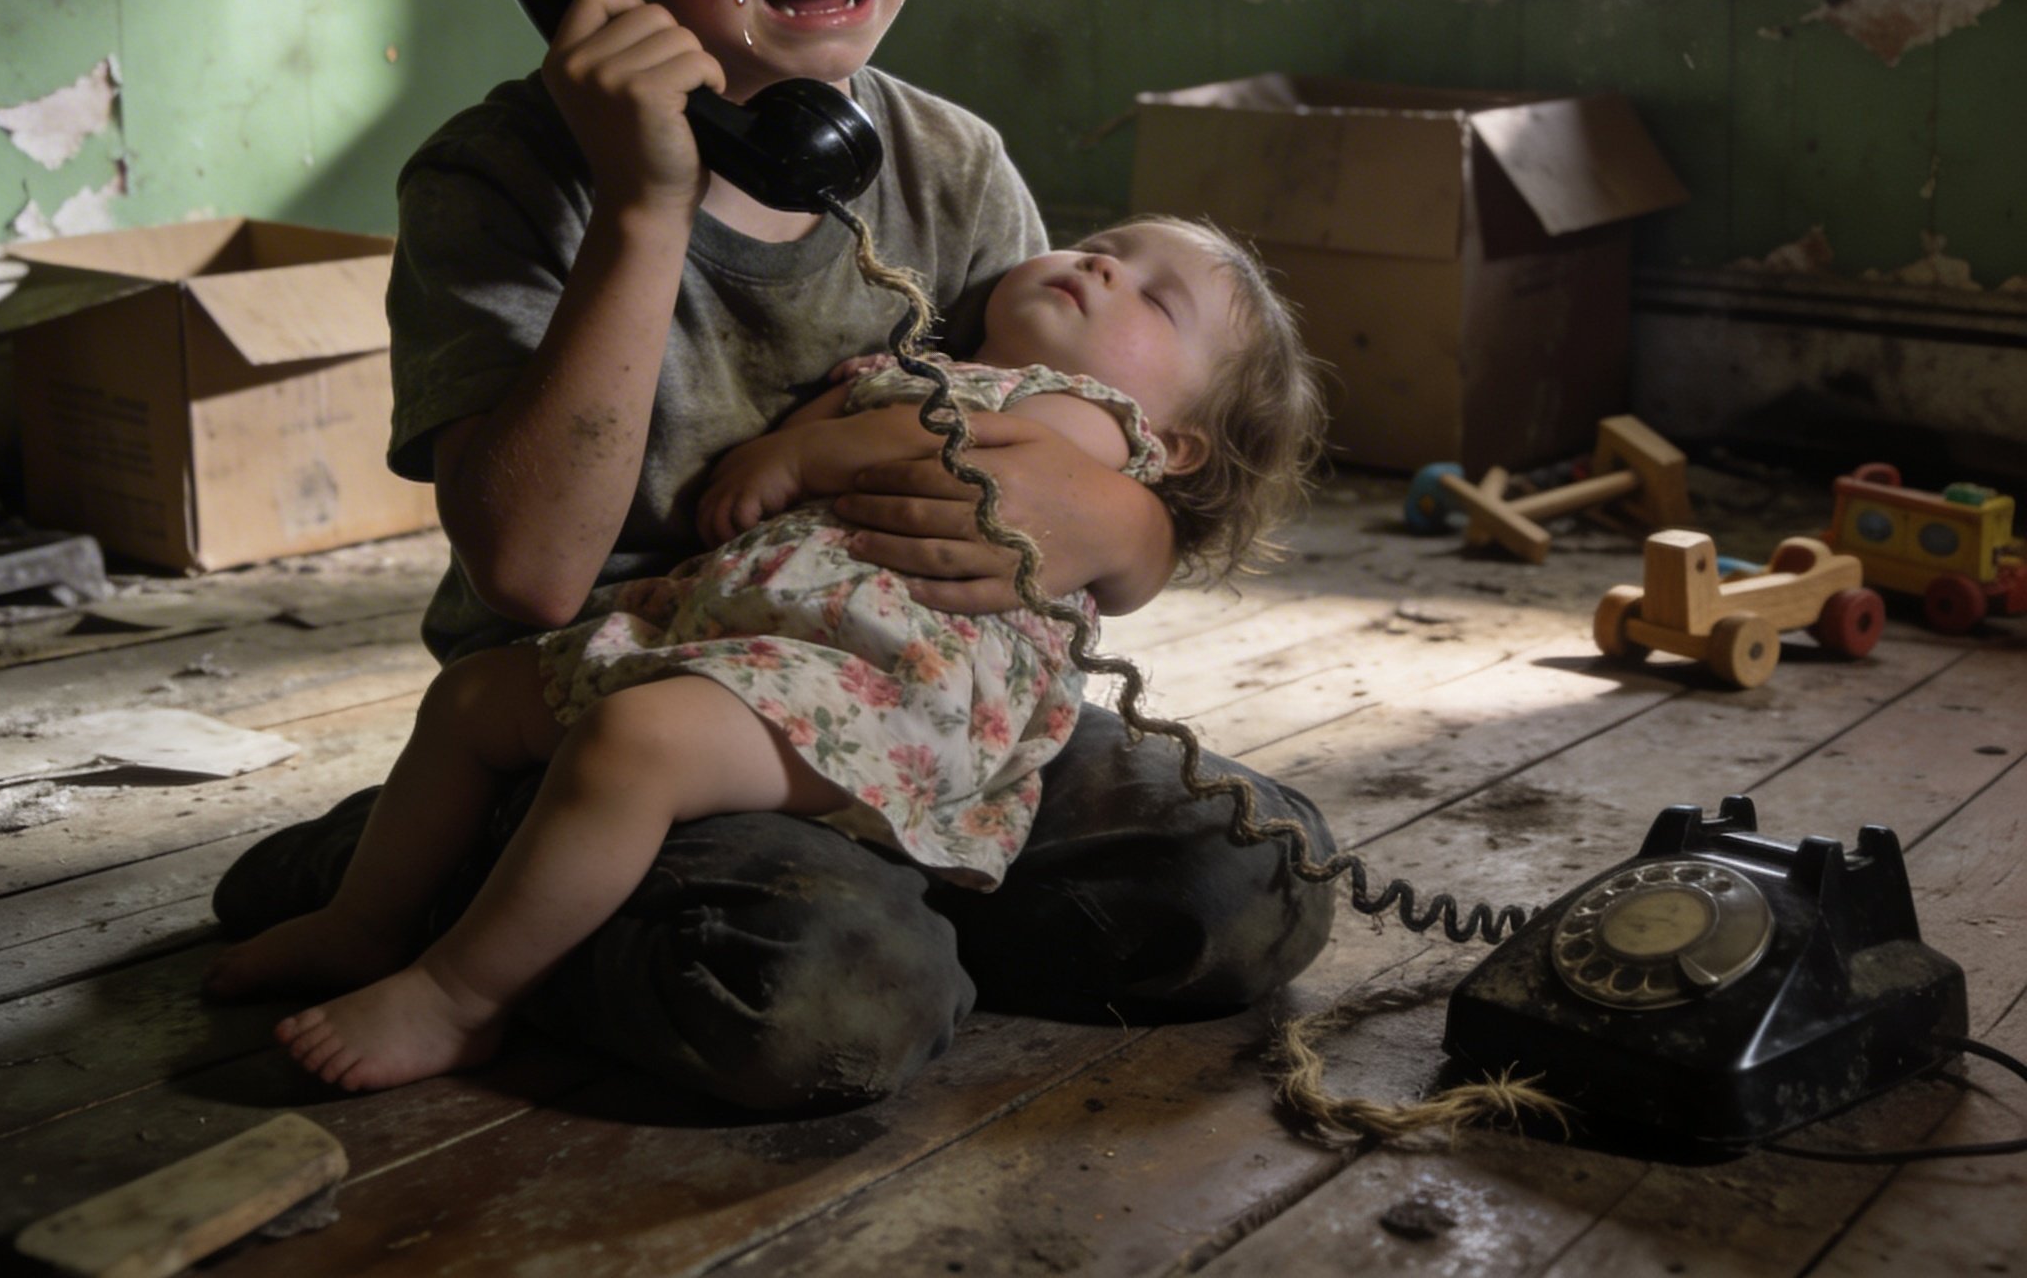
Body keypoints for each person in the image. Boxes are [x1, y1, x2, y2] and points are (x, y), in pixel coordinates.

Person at [209, 0, 1339, 1110]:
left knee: (1254, 884)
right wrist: (644, 205)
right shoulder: (499, 184)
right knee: (824, 1000)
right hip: (626, 708)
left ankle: (838, 884)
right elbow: (532, 571)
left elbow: (1092, 468)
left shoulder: (950, 166)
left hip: (907, 704)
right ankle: (454, 880)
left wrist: (1130, 532)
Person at [208, 216, 1326, 1091]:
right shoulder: (925, 363)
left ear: (1173, 440)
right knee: (472, 698)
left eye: (1155, 297)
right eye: (1101, 244)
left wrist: (809, 454)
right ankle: (367, 915)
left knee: (637, 743)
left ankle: (461, 993)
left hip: (882, 693)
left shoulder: (1087, 419)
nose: (1101, 264)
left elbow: (961, 450)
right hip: (736, 641)